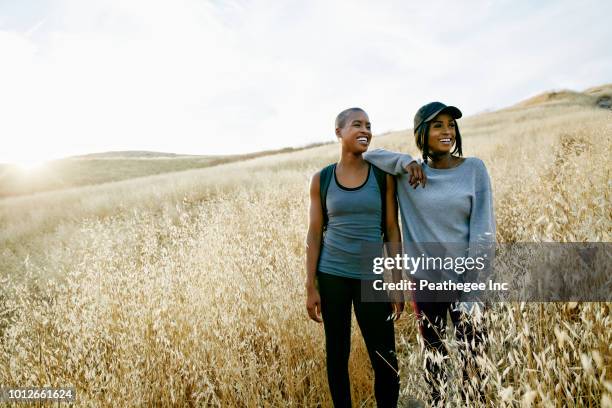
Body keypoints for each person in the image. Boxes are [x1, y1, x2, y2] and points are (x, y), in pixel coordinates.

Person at [363, 102, 495, 405]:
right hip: (425, 280)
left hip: (469, 278)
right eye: (438, 125)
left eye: (451, 125)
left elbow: (483, 229)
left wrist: (472, 281)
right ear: (422, 133)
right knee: (434, 358)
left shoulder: (474, 169)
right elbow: (369, 154)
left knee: (474, 359)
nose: (447, 131)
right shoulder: (408, 175)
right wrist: (405, 161)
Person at [305, 107, 418, 408]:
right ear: (338, 132)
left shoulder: (382, 177)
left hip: (372, 276)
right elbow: (315, 233)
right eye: (357, 125)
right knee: (337, 355)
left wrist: (396, 281)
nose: (365, 130)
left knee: (385, 358)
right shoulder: (323, 178)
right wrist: (310, 285)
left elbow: (392, 230)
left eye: (368, 125)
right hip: (332, 276)